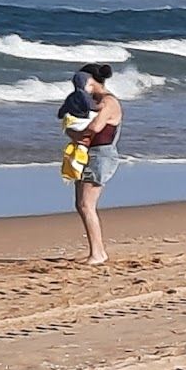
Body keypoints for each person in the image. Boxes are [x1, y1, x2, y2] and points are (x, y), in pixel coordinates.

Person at [65, 63, 123, 265]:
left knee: (86, 205)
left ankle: (98, 254)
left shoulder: (109, 102)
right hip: (87, 153)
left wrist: (74, 133)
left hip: (101, 155)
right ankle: (97, 251)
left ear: (90, 80)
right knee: (81, 205)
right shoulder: (94, 101)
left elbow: (95, 127)